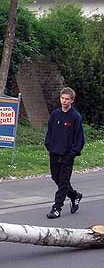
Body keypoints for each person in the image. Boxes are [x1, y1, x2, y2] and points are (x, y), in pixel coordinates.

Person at [44, 87, 85, 219]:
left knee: (63, 182)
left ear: (72, 100)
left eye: (67, 99)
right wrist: (49, 145)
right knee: (56, 177)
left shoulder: (75, 117)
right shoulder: (55, 114)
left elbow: (79, 139)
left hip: (67, 154)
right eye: (62, 98)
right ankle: (74, 195)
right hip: (54, 152)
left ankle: (56, 208)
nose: (64, 101)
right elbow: (49, 132)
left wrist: (73, 153)